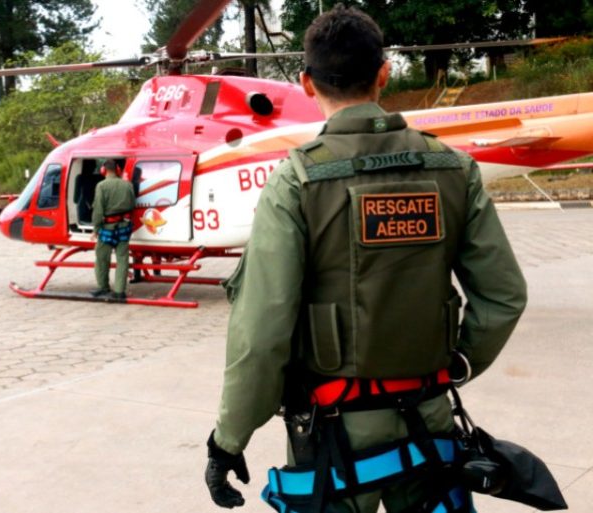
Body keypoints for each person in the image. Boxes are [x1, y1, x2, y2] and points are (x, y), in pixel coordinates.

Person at [204, 5, 527, 513]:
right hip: (432, 423)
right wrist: (456, 364)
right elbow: (504, 295)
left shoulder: (296, 181)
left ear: (307, 83)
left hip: (336, 436)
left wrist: (229, 438)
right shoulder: (454, 169)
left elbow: (262, 329)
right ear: (384, 73)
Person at [90, 159, 135, 300]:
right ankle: (119, 291)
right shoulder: (127, 185)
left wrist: (96, 228)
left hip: (107, 228)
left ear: (103, 170)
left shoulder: (101, 186)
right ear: (118, 169)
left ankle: (103, 287)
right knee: (122, 258)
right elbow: (133, 204)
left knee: (102, 258)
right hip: (124, 227)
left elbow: (98, 209)